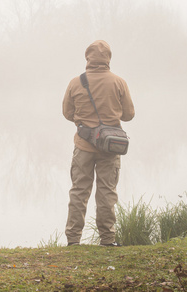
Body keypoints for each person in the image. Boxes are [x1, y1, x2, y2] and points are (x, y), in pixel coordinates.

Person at [62, 40, 135, 246]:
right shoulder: (119, 82)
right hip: (110, 148)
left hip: (83, 146)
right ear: (108, 58)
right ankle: (107, 240)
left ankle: (73, 241)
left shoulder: (75, 83)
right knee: (107, 193)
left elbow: (67, 114)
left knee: (79, 191)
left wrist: (86, 122)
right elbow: (129, 115)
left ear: (88, 58)